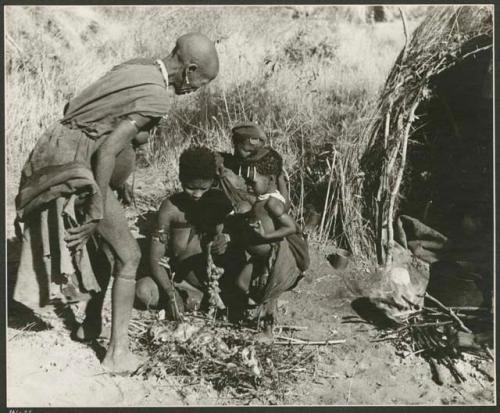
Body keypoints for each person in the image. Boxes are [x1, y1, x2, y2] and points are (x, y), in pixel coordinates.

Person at [13, 33, 219, 374]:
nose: (197, 89)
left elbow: (78, 112)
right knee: (129, 256)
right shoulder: (158, 97)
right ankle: (117, 354)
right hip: (80, 168)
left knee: (107, 248)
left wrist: (119, 182)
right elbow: (108, 150)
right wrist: (96, 202)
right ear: (189, 68)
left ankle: (90, 325)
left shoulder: (138, 67)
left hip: (57, 151)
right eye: (200, 82)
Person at [135, 147, 233, 319]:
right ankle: (195, 301)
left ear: (212, 180)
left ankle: (206, 301)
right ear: (180, 179)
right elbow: (155, 259)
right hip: (182, 283)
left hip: (217, 283)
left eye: (203, 188)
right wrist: (171, 293)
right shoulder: (170, 208)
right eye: (190, 187)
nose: (196, 195)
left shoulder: (221, 203)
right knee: (143, 291)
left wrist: (226, 238)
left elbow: (240, 238)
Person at [235, 148, 308, 340]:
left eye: (253, 182)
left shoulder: (272, 203)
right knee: (241, 283)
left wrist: (265, 236)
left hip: (273, 258)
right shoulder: (263, 197)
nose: (249, 186)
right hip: (260, 258)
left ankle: (267, 332)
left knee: (270, 296)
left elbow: (291, 227)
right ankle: (254, 313)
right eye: (247, 182)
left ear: (270, 180)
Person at [216, 122, 291, 211]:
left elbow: (284, 204)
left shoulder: (263, 165)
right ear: (235, 144)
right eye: (247, 150)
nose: (251, 155)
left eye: (256, 152)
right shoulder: (225, 162)